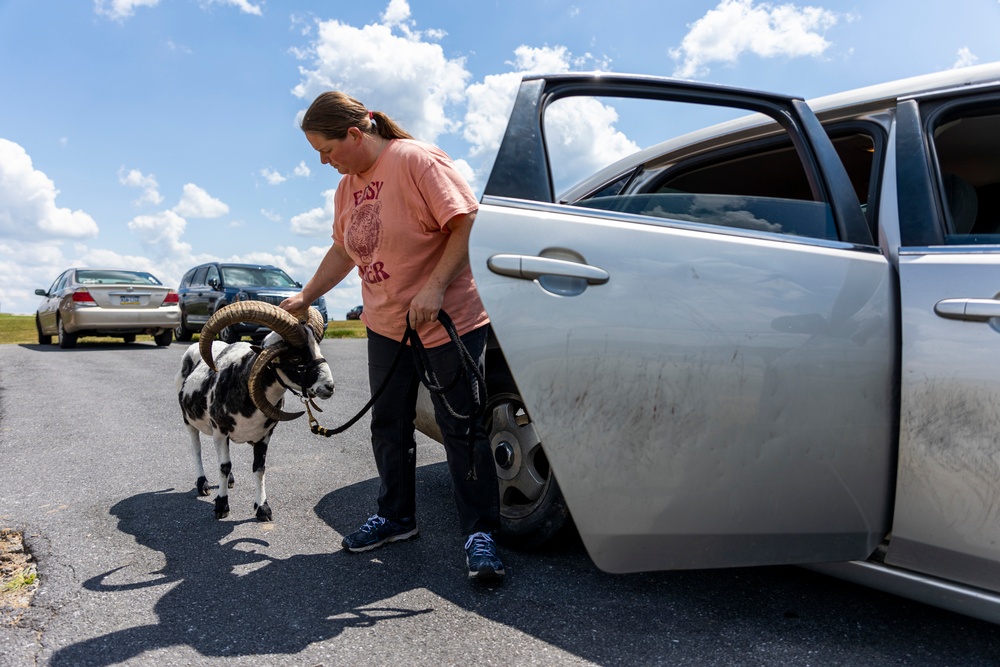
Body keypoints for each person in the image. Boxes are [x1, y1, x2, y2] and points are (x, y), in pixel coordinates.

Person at [280, 91, 504, 581]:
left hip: (447, 318)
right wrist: (306, 295)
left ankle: (480, 533)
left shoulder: (415, 160)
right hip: (386, 324)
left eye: (327, 149)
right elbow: (344, 250)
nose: (323, 161)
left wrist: (435, 287)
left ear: (355, 135)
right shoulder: (347, 187)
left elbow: (465, 222)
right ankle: (397, 518)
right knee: (390, 423)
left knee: (461, 425)